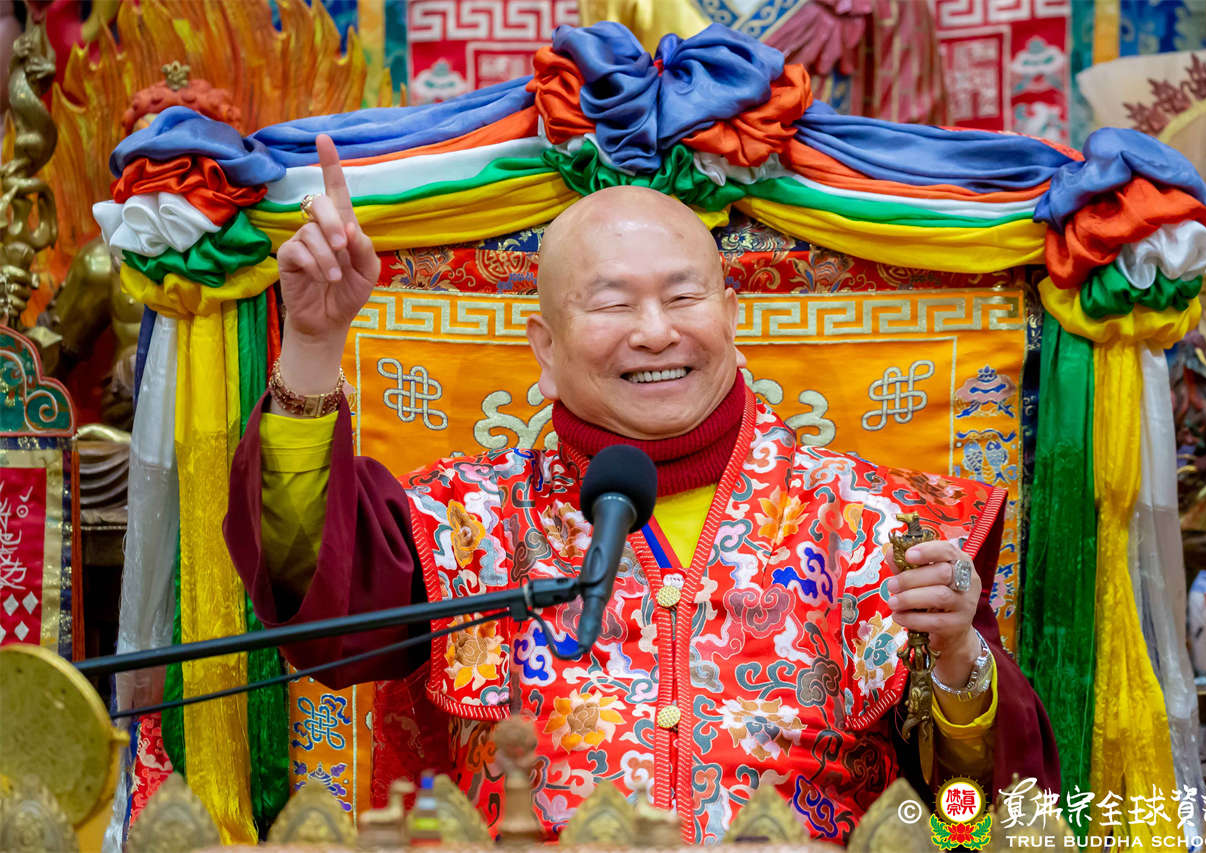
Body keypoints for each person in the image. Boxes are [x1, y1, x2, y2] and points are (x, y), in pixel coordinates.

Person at [225, 134, 1059, 843]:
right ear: (545, 347)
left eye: (684, 296)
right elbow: (321, 608)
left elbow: (982, 807)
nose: (656, 332)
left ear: (731, 315)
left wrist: (959, 661)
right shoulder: (470, 520)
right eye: (613, 304)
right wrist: (314, 342)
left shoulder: (875, 523)